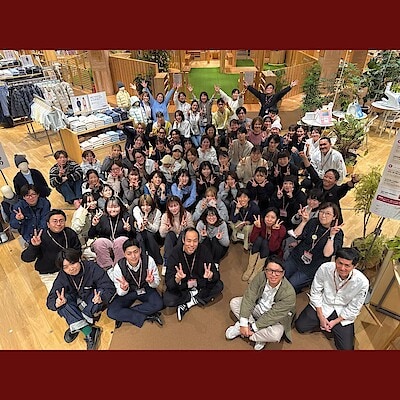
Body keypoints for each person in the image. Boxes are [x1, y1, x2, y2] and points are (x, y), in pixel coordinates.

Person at [295, 247, 369, 350]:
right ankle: (323, 323)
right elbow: (315, 292)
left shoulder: (362, 282)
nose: (342, 268)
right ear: (335, 260)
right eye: (339, 263)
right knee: (300, 326)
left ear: (354, 266)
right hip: (323, 304)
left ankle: (330, 325)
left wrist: (335, 322)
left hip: (342, 312)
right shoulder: (325, 268)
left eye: (347, 265)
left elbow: (354, 307)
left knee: (346, 349)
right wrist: (321, 317)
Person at [46, 248, 116, 350]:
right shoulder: (63, 275)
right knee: (61, 302)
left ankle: (75, 323)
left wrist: (102, 297)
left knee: (98, 295)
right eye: (65, 267)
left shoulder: (92, 267)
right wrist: (56, 303)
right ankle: (88, 330)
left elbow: (109, 287)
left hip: (92, 298)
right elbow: (50, 299)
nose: (71, 268)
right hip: (77, 300)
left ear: (79, 259)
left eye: (72, 263)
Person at [225, 255, 296, 350]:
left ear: (283, 273)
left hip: (274, 318)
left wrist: (253, 328)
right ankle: (251, 330)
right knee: (234, 303)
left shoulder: (289, 293)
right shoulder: (261, 276)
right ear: (265, 270)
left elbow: (273, 315)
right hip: (258, 307)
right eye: (270, 270)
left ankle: (247, 332)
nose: (273, 275)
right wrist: (244, 323)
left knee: (276, 334)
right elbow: (249, 297)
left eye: (278, 271)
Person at [163, 227, 224, 321]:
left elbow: (216, 275)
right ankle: (196, 296)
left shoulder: (204, 250)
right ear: (183, 240)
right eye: (189, 241)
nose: (192, 245)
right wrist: (177, 279)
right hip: (183, 285)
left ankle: (189, 303)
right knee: (168, 300)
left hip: (200, 282)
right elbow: (168, 282)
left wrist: (211, 275)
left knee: (219, 285)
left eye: (195, 241)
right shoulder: (175, 253)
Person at [283, 202, 344, 294]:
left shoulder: (337, 232)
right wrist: (304, 222)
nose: (323, 215)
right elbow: (296, 235)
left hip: (312, 266)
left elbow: (327, 254)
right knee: (280, 275)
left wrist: (331, 236)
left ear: (334, 217)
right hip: (296, 257)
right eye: (321, 212)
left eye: (327, 213)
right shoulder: (313, 222)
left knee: (292, 284)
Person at [106, 238, 164, 329]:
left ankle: (125, 314)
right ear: (124, 254)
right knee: (111, 312)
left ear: (140, 250)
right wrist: (124, 288)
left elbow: (156, 283)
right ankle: (147, 316)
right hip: (129, 291)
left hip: (146, 288)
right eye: (129, 253)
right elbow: (120, 292)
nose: (133, 256)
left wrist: (151, 281)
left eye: (136, 252)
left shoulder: (149, 260)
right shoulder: (118, 267)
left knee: (159, 304)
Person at [21, 209, 81, 292]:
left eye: (61, 221)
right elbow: (26, 258)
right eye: (55, 221)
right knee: (58, 296)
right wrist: (34, 246)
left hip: (70, 268)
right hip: (50, 274)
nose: (58, 224)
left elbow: (78, 250)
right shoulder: (40, 236)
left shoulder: (69, 233)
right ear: (48, 224)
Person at [88, 196, 135, 270]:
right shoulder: (102, 218)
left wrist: (129, 230)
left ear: (120, 207)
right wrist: (93, 225)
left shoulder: (127, 217)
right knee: (99, 242)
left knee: (120, 241)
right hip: (107, 244)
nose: (113, 210)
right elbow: (91, 236)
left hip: (122, 244)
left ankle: (119, 267)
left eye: (115, 207)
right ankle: (107, 268)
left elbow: (134, 236)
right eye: (110, 207)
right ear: (106, 208)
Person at [243, 207, 287, 282]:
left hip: (272, 252)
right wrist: (257, 228)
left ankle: (256, 272)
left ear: (277, 219)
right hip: (259, 247)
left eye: (272, 217)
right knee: (259, 239)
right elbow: (252, 240)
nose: (269, 219)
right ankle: (250, 269)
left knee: (265, 242)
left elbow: (273, 247)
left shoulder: (281, 229)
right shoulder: (261, 223)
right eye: (267, 216)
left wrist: (275, 231)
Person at [159, 195, 194, 273]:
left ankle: (179, 261)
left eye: (175, 205)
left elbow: (192, 231)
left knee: (183, 233)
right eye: (171, 206)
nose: (174, 208)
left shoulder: (186, 214)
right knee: (170, 234)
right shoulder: (165, 216)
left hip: (182, 239)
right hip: (172, 239)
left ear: (180, 205)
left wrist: (185, 226)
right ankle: (167, 262)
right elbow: (162, 234)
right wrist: (167, 228)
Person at [131, 194, 163, 266]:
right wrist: (141, 225)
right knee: (140, 236)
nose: (145, 208)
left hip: (153, 234)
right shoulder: (136, 209)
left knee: (148, 235)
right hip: (139, 232)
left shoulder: (157, 212)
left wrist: (148, 224)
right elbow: (138, 220)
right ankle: (143, 261)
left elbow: (155, 229)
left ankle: (156, 261)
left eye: (148, 205)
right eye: (143, 205)